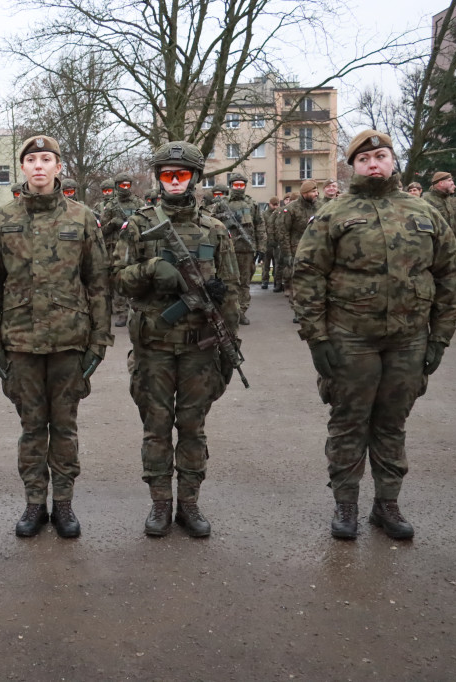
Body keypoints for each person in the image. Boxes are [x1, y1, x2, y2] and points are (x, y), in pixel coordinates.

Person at [291, 130, 456, 540]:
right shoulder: (334, 213)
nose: (374, 164)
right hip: (350, 338)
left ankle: (387, 504)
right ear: (352, 166)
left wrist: (439, 338)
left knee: (391, 423)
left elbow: (451, 274)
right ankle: (346, 504)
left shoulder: (424, 212)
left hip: (408, 339)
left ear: (392, 162)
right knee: (349, 422)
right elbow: (307, 275)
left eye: (381, 156)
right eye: (365, 159)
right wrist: (316, 337)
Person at [0, 135, 112, 539]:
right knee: (32, 428)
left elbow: (98, 283)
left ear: (59, 166)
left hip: (69, 344)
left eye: (47, 159)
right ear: (22, 167)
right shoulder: (2, 220)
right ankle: (34, 504)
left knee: (66, 428)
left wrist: (98, 344)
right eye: (32, 159)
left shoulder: (82, 218)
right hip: (20, 344)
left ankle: (65, 505)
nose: (39, 166)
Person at [114, 141, 240, 538]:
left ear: (194, 179)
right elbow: (117, 278)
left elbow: (232, 292)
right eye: (167, 174)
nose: (173, 181)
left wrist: (228, 346)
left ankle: (188, 503)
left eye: (181, 175)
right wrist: (152, 268)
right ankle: (160, 504)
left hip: (199, 346)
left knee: (192, 426)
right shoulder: (137, 225)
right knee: (156, 426)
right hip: (153, 346)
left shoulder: (215, 230)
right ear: (158, 177)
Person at [100, 171, 145, 327]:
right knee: (118, 278)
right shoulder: (111, 205)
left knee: (137, 278)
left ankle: (138, 310)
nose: (125, 188)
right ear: (117, 186)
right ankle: (121, 312)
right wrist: (113, 222)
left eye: (128, 185)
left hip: (134, 246)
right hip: (116, 248)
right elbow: (101, 230)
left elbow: (146, 225)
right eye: (122, 185)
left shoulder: (139, 204)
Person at [224, 174, 266, 325]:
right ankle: (230, 311)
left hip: (247, 250)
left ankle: (241, 311)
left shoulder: (252, 204)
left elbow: (260, 226)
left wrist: (261, 248)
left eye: (242, 185)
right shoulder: (222, 204)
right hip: (227, 251)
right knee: (228, 282)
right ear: (230, 186)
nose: (239, 187)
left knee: (245, 282)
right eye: (236, 185)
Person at [278, 180, 320, 315]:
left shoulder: (320, 207)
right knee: (297, 283)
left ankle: (313, 309)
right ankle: (298, 310)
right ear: (304, 193)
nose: (317, 194)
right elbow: (283, 232)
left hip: (317, 251)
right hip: (297, 251)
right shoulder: (291, 209)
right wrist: (287, 254)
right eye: (313, 192)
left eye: (317, 191)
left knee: (315, 282)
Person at [423, 172, 456, 260]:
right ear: (441, 183)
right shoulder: (426, 201)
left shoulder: (453, 201)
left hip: (454, 251)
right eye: (449, 180)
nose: (453, 183)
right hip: (435, 253)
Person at [261, 196, 281, 290]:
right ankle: (265, 281)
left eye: (277, 205)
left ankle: (277, 282)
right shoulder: (264, 214)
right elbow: (262, 228)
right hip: (267, 243)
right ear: (270, 204)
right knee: (266, 264)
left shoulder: (280, 213)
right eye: (274, 205)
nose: (276, 207)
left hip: (277, 243)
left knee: (277, 264)